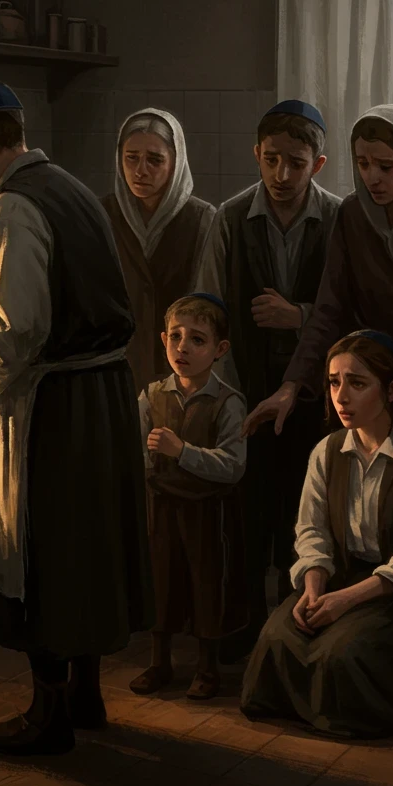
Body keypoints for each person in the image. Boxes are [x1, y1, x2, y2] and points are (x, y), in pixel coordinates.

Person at [0, 79, 153, 756]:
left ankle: (47, 717)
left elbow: (19, 327)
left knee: (45, 551)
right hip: (103, 391)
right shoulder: (69, 186)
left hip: (59, 403)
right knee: (85, 547)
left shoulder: (13, 203)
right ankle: (85, 696)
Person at [244, 104, 393, 478]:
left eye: (385, 167)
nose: (372, 177)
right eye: (362, 164)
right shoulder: (353, 215)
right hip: (375, 378)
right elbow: (330, 308)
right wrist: (291, 386)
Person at [240, 330, 393, 738]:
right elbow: (311, 530)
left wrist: (346, 600)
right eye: (334, 382)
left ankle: (349, 718)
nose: (341, 396)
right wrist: (313, 587)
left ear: (391, 389)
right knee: (279, 635)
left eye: (357, 383)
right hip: (338, 576)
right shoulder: (327, 451)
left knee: (342, 652)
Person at [192, 99, 342, 662]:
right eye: (272, 160)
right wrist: (224, 395)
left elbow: (347, 307)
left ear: (318, 164)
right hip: (246, 391)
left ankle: (298, 632)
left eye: (296, 164)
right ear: (256, 155)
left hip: (318, 399)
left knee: (306, 517)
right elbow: (208, 307)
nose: (282, 175)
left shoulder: (338, 218)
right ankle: (243, 638)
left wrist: (298, 315)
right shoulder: (229, 218)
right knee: (246, 519)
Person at [133, 293, 247, 700]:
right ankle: (159, 661)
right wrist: (147, 468)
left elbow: (233, 465)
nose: (183, 348)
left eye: (197, 340)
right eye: (175, 337)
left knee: (205, 584)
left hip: (205, 510)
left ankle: (206, 667)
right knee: (161, 581)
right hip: (161, 507)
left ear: (219, 350)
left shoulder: (227, 403)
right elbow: (137, 453)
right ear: (163, 339)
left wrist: (182, 452)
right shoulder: (152, 395)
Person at [102, 108, 217, 393]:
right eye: (131, 158)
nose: (140, 170)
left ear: (175, 163)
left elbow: (210, 300)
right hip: (116, 364)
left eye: (154, 160)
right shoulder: (101, 215)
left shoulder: (202, 219)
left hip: (181, 365)